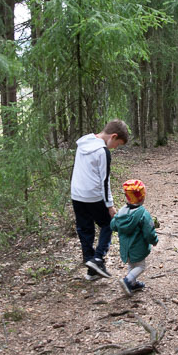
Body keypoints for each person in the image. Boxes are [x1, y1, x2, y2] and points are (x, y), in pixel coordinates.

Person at [71, 119, 129, 280]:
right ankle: (98, 259)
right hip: (93, 195)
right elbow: (105, 180)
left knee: (85, 229)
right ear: (113, 136)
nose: (115, 147)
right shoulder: (103, 152)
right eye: (117, 144)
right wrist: (110, 206)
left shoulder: (83, 142)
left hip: (76, 194)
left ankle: (91, 269)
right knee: (108, 224)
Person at [110, 179, 158, 296]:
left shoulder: (122, 212)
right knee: (141, 266)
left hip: (125, 248)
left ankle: (133, 284)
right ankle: (127, 280)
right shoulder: (143, 214)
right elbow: (149, 232)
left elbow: (113, 225)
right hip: (138, 248)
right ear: (142, 197)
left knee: (131, 265)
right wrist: (154, 240)